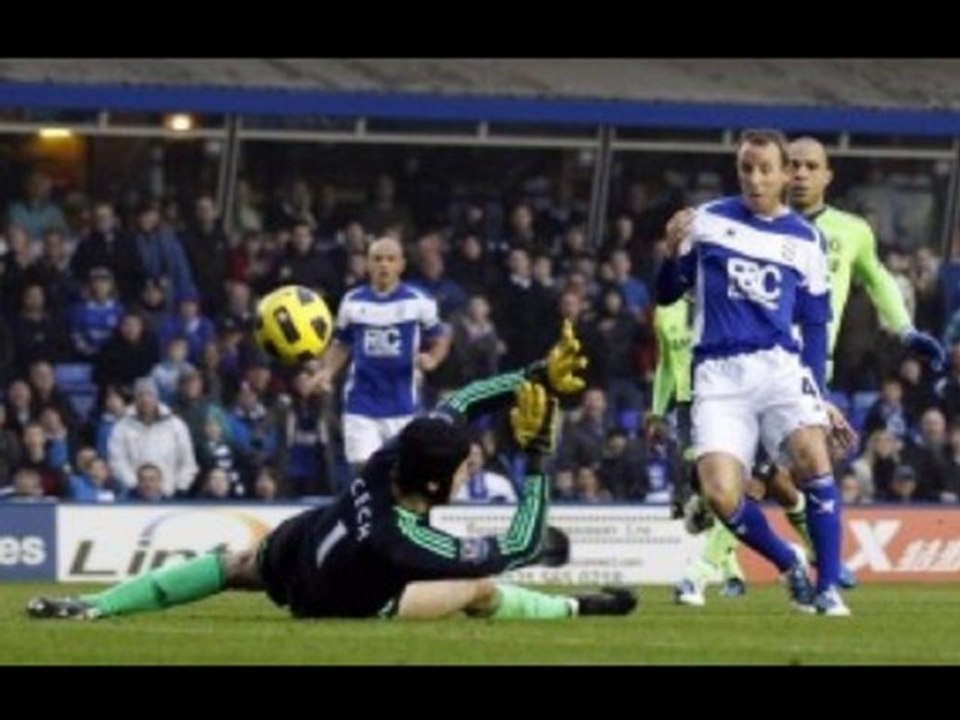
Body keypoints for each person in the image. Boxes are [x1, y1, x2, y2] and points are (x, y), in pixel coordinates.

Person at [27, 322, 637, 621]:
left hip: (302, 543)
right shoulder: (410, 540)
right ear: (435, 483)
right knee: (478, 589)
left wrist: (535, 375)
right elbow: (520, 542)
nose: (467, 469)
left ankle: (95, 607)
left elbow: (464, 401)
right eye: (462, 466)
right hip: (343, 600)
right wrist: (538, 458)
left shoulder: (387, 461)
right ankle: (578, 609)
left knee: (234, 564)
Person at [656, 128, 847, 616]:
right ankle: (788, 563)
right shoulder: (706, 222)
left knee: (811, 457)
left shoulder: (807, 240)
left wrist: (819, 394)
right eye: (746, 168)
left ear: (784, 174)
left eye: (765, 169)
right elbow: (666, 294)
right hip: (718, 376)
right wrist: (669, 252)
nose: (755, 179)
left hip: (779, 367)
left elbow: (816, 326)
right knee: (721, 494)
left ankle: (828, 588)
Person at [313, 236, 452, 473]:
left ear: (401, 265)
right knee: (364, 475)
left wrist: (433, 359)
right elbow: (342, 344)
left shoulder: (418, 301)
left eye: (390, 259)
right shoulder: (352, 301)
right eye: (377, 259)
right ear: (368, 265)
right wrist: (326, 372)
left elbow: (441, 336)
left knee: (401, 477)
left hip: (403, 404)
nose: (384, 265)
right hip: (361, 403)